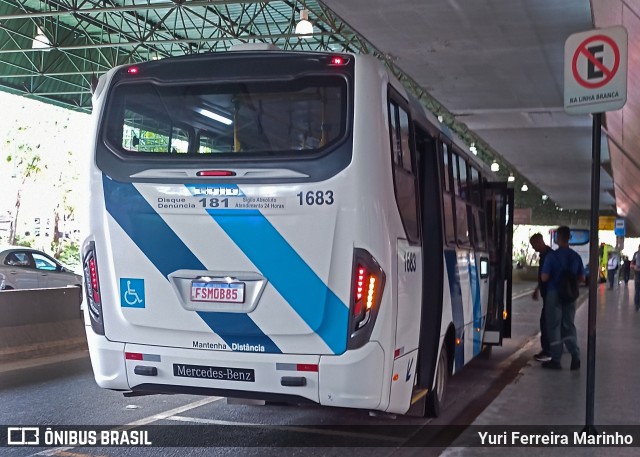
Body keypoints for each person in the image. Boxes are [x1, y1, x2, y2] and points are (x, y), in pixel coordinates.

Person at [540, 226, 584, 370]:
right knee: (568, 325)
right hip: (570, 295)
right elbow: (582, 278)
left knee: (554, 326)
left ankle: (556, 360)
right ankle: (575, 356)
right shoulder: (575, 256)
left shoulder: (551, 256)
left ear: (557, 238)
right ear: (569, 238)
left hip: (554, 293)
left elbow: (545, 277)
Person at [529, 233, 552, 362]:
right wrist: (537, 289)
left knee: (546, 322)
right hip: (546, 293)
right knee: (546, 322)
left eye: (533, 245)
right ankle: (548, 349)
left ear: (539, 242)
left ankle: (548, 351)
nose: (533, 248)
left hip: (550, 294)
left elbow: (546, 275)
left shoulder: (549, 256)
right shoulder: (544, 255)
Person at [632, 245, 640, 310]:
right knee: (637, 290)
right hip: (637, 273)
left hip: (637, 273)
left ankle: (637, 304)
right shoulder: (636, 254)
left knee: (637, 290)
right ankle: (637, 304)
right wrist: (634, 267)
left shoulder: (636, 254)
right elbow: (632, 263)